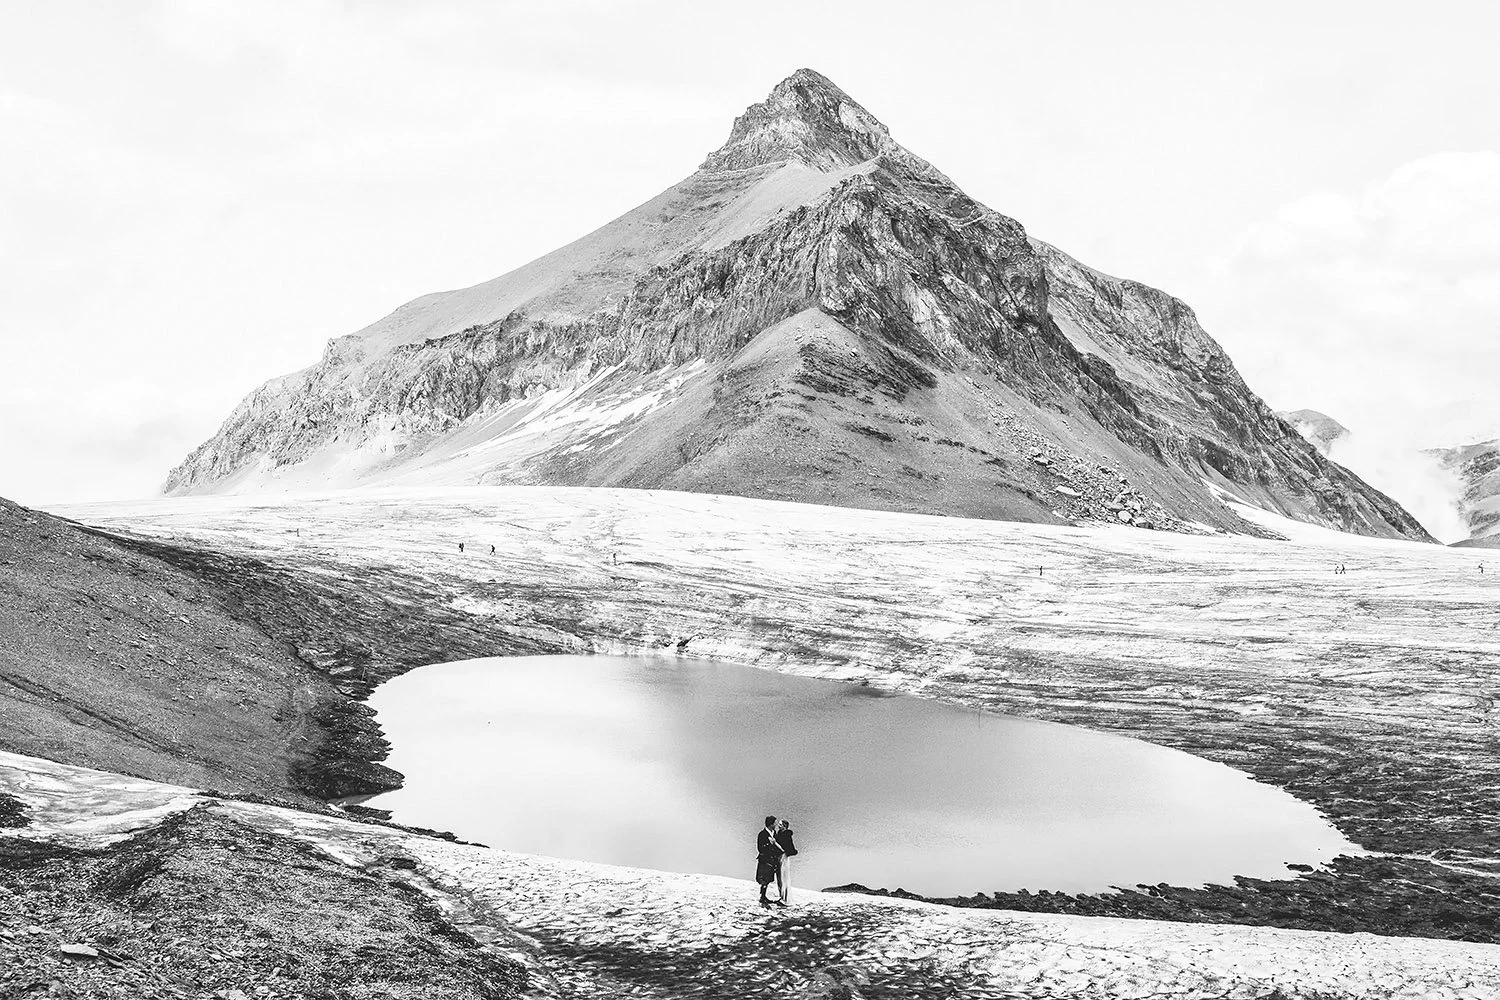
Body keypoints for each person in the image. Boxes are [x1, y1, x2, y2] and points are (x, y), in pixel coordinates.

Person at [755, 815, 783, 907]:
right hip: (765, 860)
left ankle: (764, 896)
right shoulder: (762, 834)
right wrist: (768, 844)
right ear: (771, 824)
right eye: (774, 823)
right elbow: (760, 848)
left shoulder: (774, 833)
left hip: (772, 860)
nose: (776, 824)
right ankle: (762, 897)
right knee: (764, 879)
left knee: (769, 878)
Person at [774, 817, 798, 905]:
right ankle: (782, 896)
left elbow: (788, 848)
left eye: (780, 824)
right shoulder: (779, 834)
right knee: (780, 877)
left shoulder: (786, 835)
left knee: (784, 877)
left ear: (784, 826)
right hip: (779, 857)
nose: (778, 826)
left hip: (783, 857)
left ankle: (785, 898)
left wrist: (776, 844)